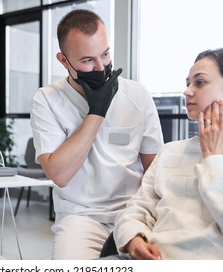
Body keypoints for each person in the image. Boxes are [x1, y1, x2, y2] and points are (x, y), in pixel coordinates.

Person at [30, 9, 164, 259]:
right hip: (80, 216)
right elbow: (59, 174)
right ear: (63, 60)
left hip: (135, 211)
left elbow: (154, 171)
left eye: (105, 54)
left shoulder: (137, 94)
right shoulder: (47, 100)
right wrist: (97, 112)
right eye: (87, 60)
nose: (101, 67)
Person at [111, 48, 223, 260]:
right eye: (188, 83)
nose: (187, 91)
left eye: (200, 82)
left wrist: (214, 159)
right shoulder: (170, 151)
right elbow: (137, 208)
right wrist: (133, 239)